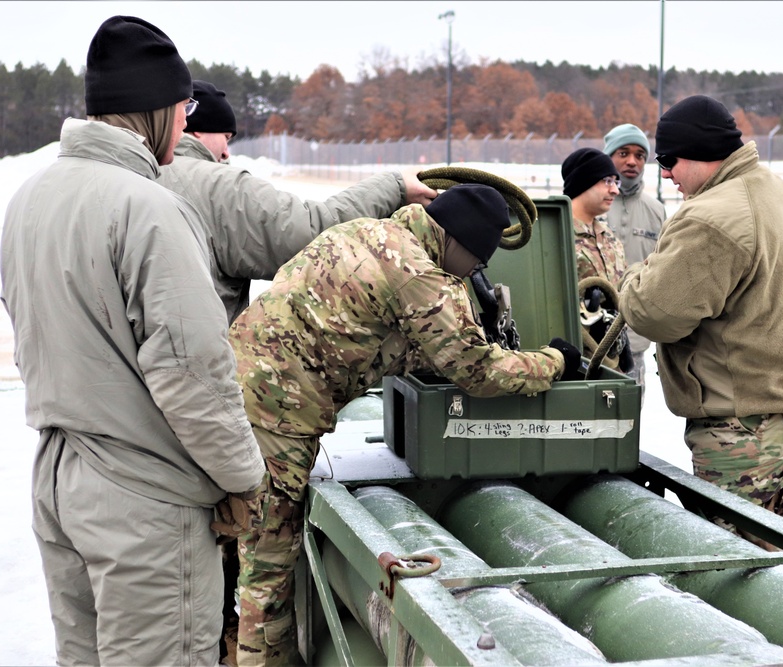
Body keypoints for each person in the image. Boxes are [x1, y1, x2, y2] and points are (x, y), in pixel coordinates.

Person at [217, 184, 580, 665]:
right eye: (473, 264)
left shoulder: (368, 231)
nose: (472, 276)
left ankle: (222, 646)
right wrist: (554, 360)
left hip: (229, 390)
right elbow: (480, 372)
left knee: (231, 540)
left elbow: (368, 329)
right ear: (457, 243)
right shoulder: (421, 277)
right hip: (279, 413)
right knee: (268, 560)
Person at [0, 16, 266, 665]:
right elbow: (191, 371)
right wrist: (244, 478)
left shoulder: (29, 199)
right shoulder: (150, 209)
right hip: (143, 505)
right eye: (178, 111)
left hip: (59, 483)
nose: (183, 125)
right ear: (150, 113)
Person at [156, 78, 436, 664]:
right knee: (248, 571)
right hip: (205, 416)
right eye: (220, 134)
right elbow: (307, 230)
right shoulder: (208, 184)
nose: (226, 150)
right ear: (185, 120)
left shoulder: (102, 185)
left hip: (126, 438)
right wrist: (391, 186)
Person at [617, 95, 783, 526]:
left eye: (669, 160)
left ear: (699, 153)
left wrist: (630, 277)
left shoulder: (713, 217)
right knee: (770, 551)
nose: (666, 173)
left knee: (737, 569)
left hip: (744, 427)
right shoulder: (779, 191)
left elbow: (652, 313)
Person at [157, 79, 437, 324]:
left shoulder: (140, 172)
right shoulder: (219, 187)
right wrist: (395, 185)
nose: (227, 153)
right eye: (226, 137)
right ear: (196, 129)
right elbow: (313, 234)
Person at [602, 123, 667, 387]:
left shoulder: (656, 211)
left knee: (629, 418)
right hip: (589, 335)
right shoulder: (592, 203)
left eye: (640, 155)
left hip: (635, 338)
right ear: (609, 156)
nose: (632, 161)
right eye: (623, 153)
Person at [561, 147, 634, 374]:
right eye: (607, 181)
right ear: (583, 182)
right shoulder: (559, 235)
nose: (614, 190)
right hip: (573, 359)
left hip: (611, 356)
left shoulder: (609, 237)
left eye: (616, 182)